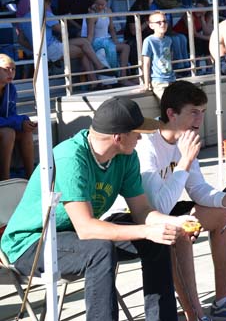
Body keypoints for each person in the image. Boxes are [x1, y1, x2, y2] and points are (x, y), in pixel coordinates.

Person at [0, 97, 190, 320]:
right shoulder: (70, 158)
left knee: (157, 240)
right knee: (100, 249)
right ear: (118, 137)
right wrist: (148, 230)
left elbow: (142, 211)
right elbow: (87, 229)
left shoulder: (126, 157)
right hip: (30, 244)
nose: (141, 137)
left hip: (75, 237)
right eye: (137, 132)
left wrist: (171, 223)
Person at [134, 81, 226, 321]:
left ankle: (223, 300)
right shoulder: (147, 144)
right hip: (144, 216)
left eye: (203, 112)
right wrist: (184, 162)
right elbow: (158, 206)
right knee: (180, 230)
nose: (200, 119)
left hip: (170, 207)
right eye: (194, 112)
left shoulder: (184, 141)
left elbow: (199, 190)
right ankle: (195, 315)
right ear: (171, 113)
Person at [20, 0, 105, 88]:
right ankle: (95, 78)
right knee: (85, 51)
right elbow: (64, 31)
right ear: (46, 3)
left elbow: (21, 40)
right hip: (52, 48)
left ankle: (97, 71)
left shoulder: (25, 17)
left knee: (84, 42)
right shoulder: (46, 14)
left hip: (45, 48)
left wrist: (35, 49)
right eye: (49, 3)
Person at [84, 0, 134, 85]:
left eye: (102, 5)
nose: (100, 7)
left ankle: (123, 77)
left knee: (126, 47)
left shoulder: (108, 11)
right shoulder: (91, 15)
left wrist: (115, 41)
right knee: (105, 50)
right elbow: (90, 34)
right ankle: (109, 78)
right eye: (98, 4)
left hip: (107, 40)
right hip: (97, 41)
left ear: (106, 3)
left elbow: (111, 28)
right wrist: (88, 46)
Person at [0, 54, 36, 180]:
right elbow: (13, 120)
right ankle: (5, 178)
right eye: (5, 69)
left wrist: (24, 122)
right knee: (8, 133)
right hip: (3, 130)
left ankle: (30, 177)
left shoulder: (11, 89)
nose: (10, 73)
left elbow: (11, 115)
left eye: (13, 69)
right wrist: (19, 121)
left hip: (3, 126)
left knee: (26, 131)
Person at [142, 11, 176, 99]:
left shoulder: (169, 40)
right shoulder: (148, 41)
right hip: (159, 82)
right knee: (168, 106)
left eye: (164, 21)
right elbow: (146, 63)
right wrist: (146, 83)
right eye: (158, 22)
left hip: (172, 79)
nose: (162, 24)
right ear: (151, 25)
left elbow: (170, 60)